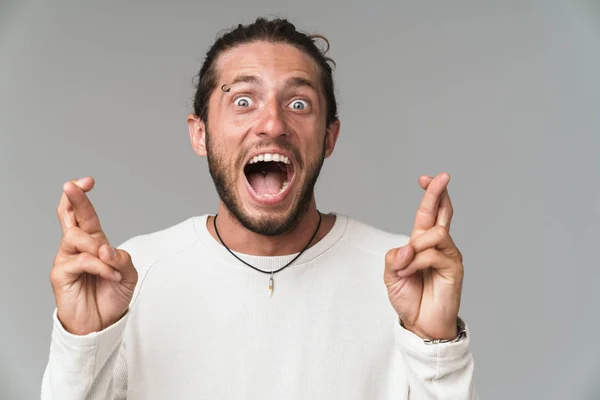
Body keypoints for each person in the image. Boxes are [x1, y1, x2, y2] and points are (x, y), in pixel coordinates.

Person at [41, 17, 477, 400]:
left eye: (298, 104)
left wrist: (436, 348)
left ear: (328, 137)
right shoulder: (130, 277)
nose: (272, 123)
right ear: (200, 134)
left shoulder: (403, 278)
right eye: (243, 101)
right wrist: (84, 345)